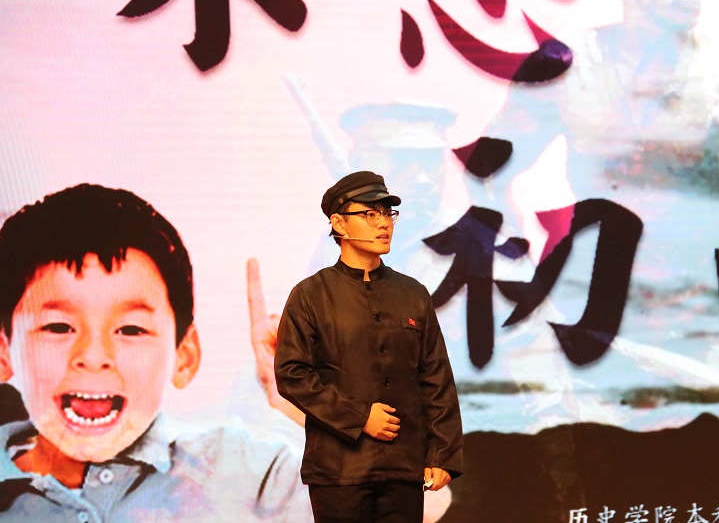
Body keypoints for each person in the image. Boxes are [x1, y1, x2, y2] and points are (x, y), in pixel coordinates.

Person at [0, 183, 312, 521]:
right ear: (4, 353)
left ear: (184, 356)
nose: (93, 355)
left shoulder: (251, 474)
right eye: (59, 327)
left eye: (131, 329)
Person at [274, 171, 464, 522]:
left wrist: (442, 453)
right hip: (339, 469)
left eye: (387, 214)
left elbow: (435, 376)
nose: (384, 224)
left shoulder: (413, 294)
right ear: (339, 223)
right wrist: (360, 417)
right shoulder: (310, 295)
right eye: (370, 214)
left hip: (404, 468)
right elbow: (292, 375)